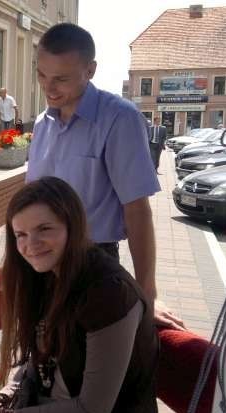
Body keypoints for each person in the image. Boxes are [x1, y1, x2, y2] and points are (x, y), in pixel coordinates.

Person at [0, 177, 160, 413]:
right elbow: (36, 365)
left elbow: (93, 410)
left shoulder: (108, 293)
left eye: (44, 229)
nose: (31, 245)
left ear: (73, 226)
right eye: (20, 235)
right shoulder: (45, 276)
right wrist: (4, 398)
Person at [25, 23, 183, 330]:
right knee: (41, 359)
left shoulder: (119, 119)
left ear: (90, 70)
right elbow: (30, 207)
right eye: (42, 75)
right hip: (38, 261)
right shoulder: (43, 123)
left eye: (61, 78)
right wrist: (16, 264)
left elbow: (137, 210)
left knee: (83, 368)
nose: (48, 87)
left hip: (91, 266)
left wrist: (146, 294)